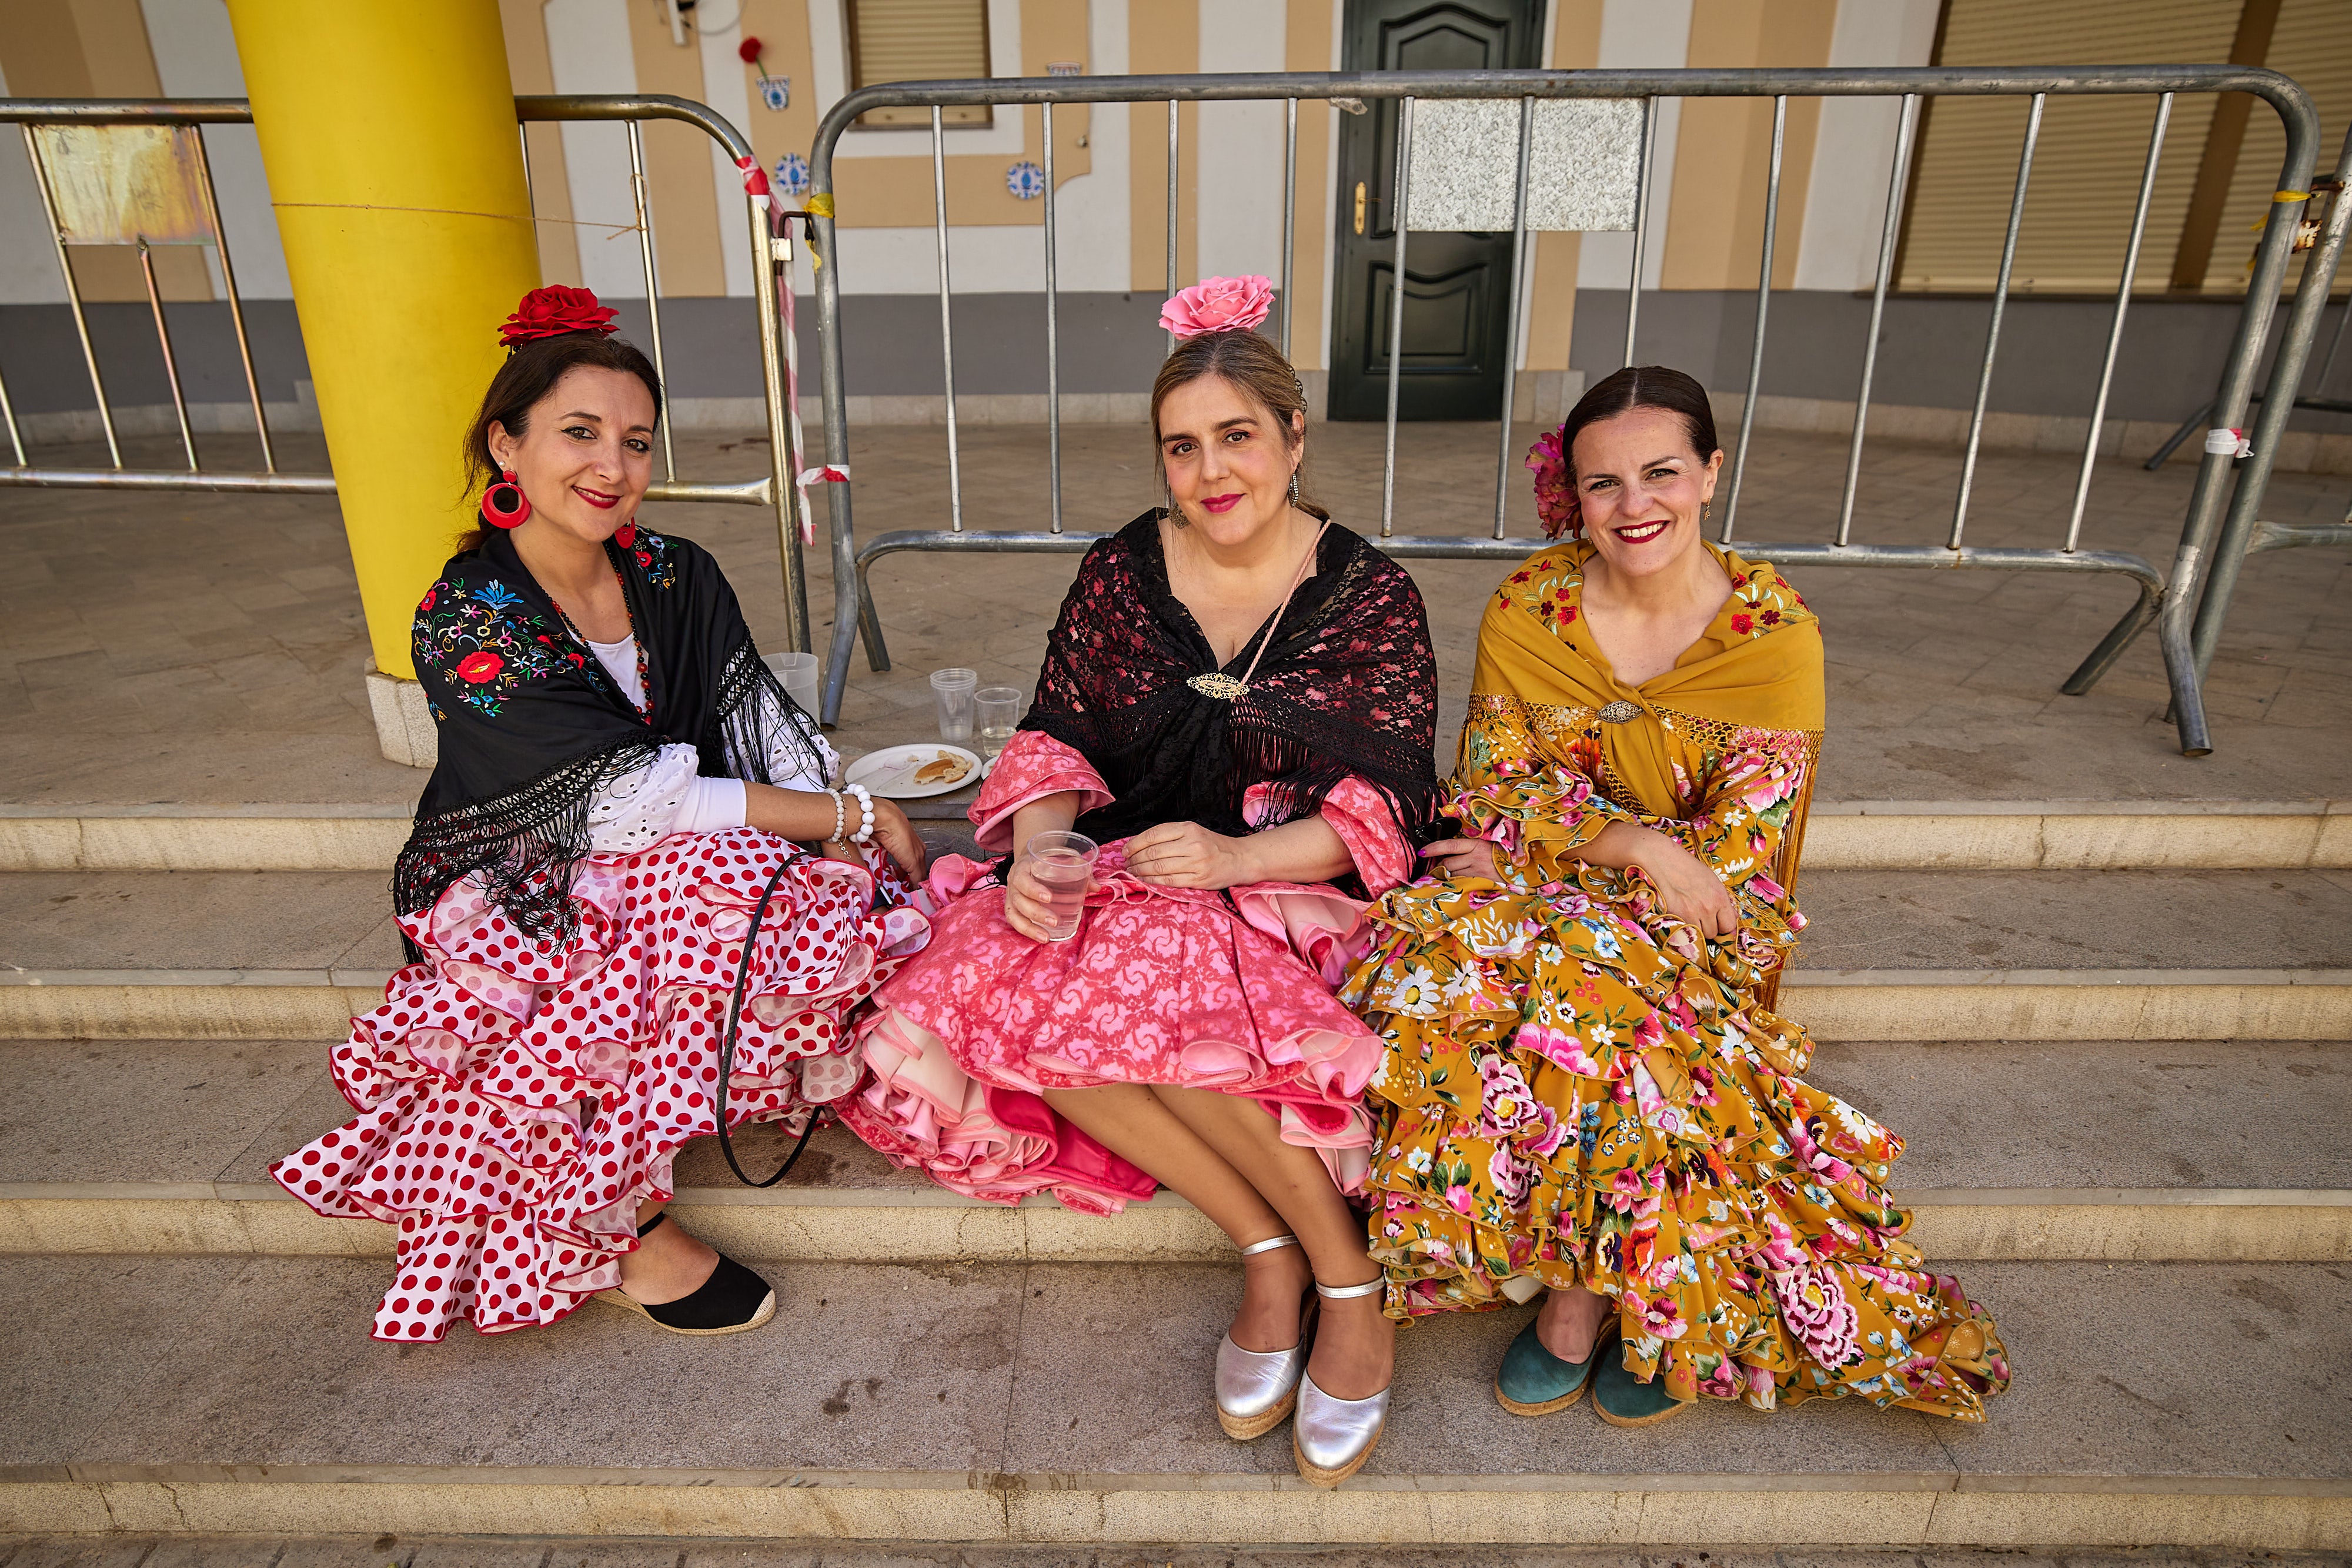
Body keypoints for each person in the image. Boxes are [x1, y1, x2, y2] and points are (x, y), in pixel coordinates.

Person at [836, 277, 1442, 1486]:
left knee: (1135, 969)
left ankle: (1349, 1277)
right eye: (1182, 446)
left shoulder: (1368, 593)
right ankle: (1269, 1246)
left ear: (1291, 439)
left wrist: (1228, 860)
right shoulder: (1122, 570)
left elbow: (1382, 800)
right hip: (1132, 871)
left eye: (1236, 436)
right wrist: (1048, 844)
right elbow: (1057, 731)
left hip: (1279, 883)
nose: (1211, 471)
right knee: (996, 973)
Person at [1342, 366, 2009, 1425]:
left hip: (1705, 919)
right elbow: (1492, 784)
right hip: (1559, 888)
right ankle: (1609, 1283)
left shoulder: (1774, 640)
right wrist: (1636, 841)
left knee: (1586, 985)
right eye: (1603, 483)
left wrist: (1599, 861)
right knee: (1446, 948)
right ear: (1573, 494)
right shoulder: (1531, 608)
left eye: (1661, 473)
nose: (1633, 506)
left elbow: (1733, 864)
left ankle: (1573, 1300)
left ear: (1711, 473)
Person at [272, 286, 929, 1342]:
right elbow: (630, 803)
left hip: (666, 847)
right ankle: (608, 1220)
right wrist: (839, 808)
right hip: (520, 869)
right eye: (578, 433)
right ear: (506, 444)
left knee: (822, 889)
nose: (611, 469)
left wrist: (847, 815)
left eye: (635, 441)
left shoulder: (674, 570)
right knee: (706, 885)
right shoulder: (466, 615)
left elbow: (752, 716)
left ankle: (680, 1101)